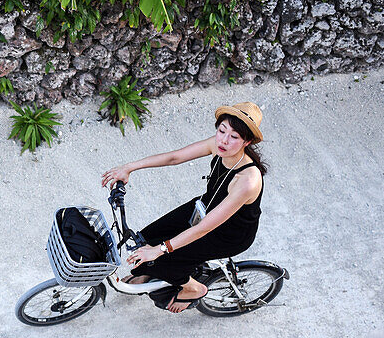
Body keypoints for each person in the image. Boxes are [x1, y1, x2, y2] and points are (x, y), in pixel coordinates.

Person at [101, 102, 267, 313]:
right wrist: (129, 168)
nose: (224, 140)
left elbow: (204, 228)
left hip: (229, 233)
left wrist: (160, 250)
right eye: (221, 130)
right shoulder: (218, 146)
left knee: (159, 258)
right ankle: (148, 272)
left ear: (247, 141)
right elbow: (174, 157)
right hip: (204, 207)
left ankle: (193, 288)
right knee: (144, 238)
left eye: (234, 137)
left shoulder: (248, 180)